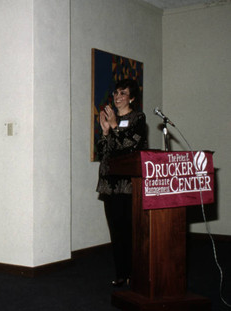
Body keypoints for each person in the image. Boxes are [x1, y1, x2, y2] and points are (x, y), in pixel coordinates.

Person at [96, 78, 148, 287]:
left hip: (129, 184)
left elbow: (130, 146)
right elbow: (103, 152)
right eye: (116, 93)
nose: (117, 97)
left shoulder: (138, 118)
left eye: (123, 93)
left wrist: (115, 126)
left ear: (132, 97)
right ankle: (121, 274)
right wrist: (105, 131)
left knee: (130, 231)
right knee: (116, 231)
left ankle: (134, 274)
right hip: (110, 184)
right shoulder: (111, 120)